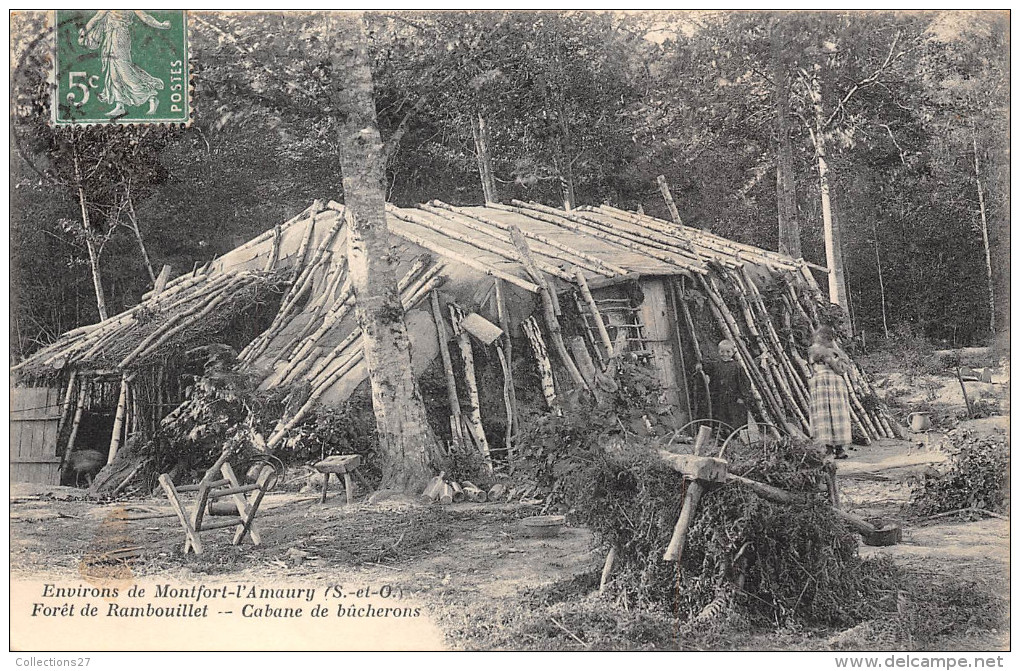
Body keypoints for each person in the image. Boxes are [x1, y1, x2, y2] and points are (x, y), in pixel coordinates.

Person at [79, 10, 171, 117]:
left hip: (119, 36)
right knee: (113, 73)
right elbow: (97, 17)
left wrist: (161, 25)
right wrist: (161, 25)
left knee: (125, 72)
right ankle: (120, 105)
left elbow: (145, 17)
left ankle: (151, 97)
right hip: (110, 36)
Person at [808, 326, 853, 459]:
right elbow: (813, 365)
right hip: (821, 382)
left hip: (833, 383)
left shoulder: (836, 353)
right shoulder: (815, 351)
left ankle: (838, 448)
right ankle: (828, 447)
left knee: (837, 413)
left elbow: (842, 369)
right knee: (823, 414)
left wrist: (832, 359)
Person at [699, 339, 751, 436]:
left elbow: (745, 382)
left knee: (733, 417)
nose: (725, 354)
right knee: (719, 416)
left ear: (733, 352)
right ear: (718, 351)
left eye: (728, 352)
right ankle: (721, 435)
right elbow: (706, 367)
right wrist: (700, 365)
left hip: (733, 398)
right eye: (722, 351)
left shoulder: (737, 367)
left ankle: (734, 435)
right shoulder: (716, 364)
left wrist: (742, 397)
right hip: (719, 396)